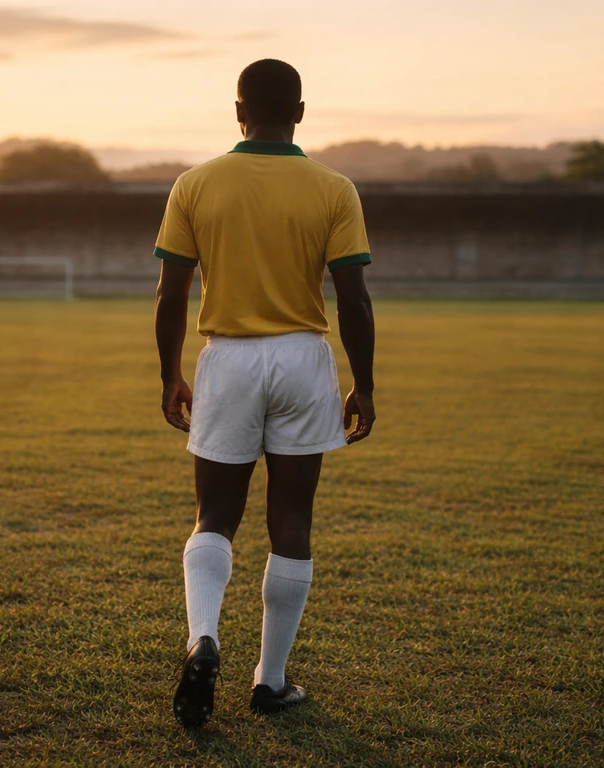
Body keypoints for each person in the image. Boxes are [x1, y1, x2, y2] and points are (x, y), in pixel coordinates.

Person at [154, 58, 376, 729]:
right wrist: (363, 383)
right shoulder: (333, 187)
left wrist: (169, 373)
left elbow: (170, 294)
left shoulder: (196, 184)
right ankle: (270, 682)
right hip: (303, 361)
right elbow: (354, 298)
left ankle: (202, 639)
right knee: (292, 521)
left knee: (214, 516)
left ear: (237, 110)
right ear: (301, 112)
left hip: (228, 360)